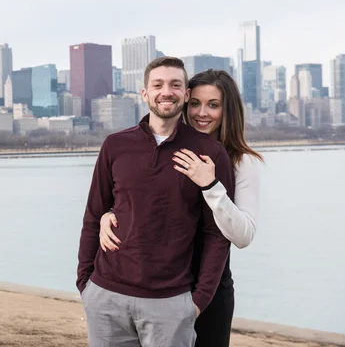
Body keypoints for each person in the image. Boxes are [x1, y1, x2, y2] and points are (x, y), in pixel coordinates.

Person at [98, 69, 264, 347]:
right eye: (195, 103)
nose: (202, 113)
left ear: (228, 110)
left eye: (213, 105)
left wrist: (211, 186)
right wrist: (108, 215)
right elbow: (142, 205)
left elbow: (244, 236)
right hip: (162, 287)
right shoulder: (168, 150)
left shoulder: (242, 162)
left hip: (208, 291)